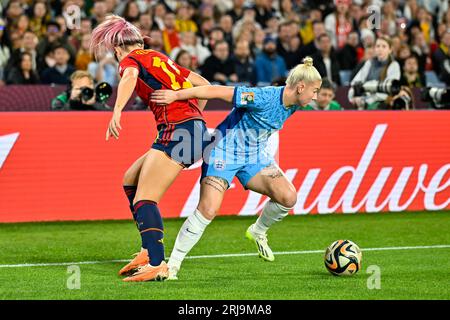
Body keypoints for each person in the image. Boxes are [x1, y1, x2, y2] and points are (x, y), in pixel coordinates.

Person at [150, 57, 322, 280]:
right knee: (208, 209)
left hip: (255, 157)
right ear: (301, 87)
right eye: (315, 91)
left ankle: (258, 232)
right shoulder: (262, 97)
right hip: (223, 152)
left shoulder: (294, 104)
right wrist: (176, 95)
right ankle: (172, 265)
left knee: (288, 197)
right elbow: (218, 92)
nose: (315, 96)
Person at [89, 15, 210, 282]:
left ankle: (157, 263)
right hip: (189, 130)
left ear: (117, 49)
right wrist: (196, 117)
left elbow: (130, 76)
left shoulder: (130, 61)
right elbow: (204, 84)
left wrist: (117, 111)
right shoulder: (158, 56)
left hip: (178, 131)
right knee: (130, 180)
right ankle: (147, 249)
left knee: (145, 198)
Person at [348, 35, 401, 110]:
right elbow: (356, 82)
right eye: (378, 46)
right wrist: (357, 95)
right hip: (366, 96)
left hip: (382, 100)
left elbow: (389, 88)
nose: (380, 49)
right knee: (352, 92)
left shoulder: (394, 65)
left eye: (384, 46)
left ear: (390, 50)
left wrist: (368, 99)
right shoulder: (369, 63)